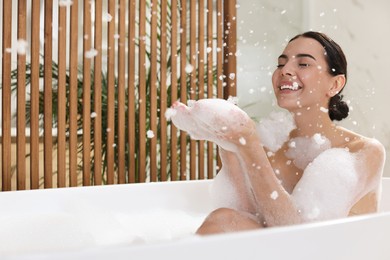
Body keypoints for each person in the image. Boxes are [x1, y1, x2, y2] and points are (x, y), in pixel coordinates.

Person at [169, 31, 386, 235]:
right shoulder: (271, 147)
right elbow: (248, 217)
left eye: (303, 63)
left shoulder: (362, 152)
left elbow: (299, 237)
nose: (285, 71)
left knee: (223, 221)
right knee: (224, 218)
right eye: (281, 64)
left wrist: (248, 145)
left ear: (335, 84)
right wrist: (228, 145)